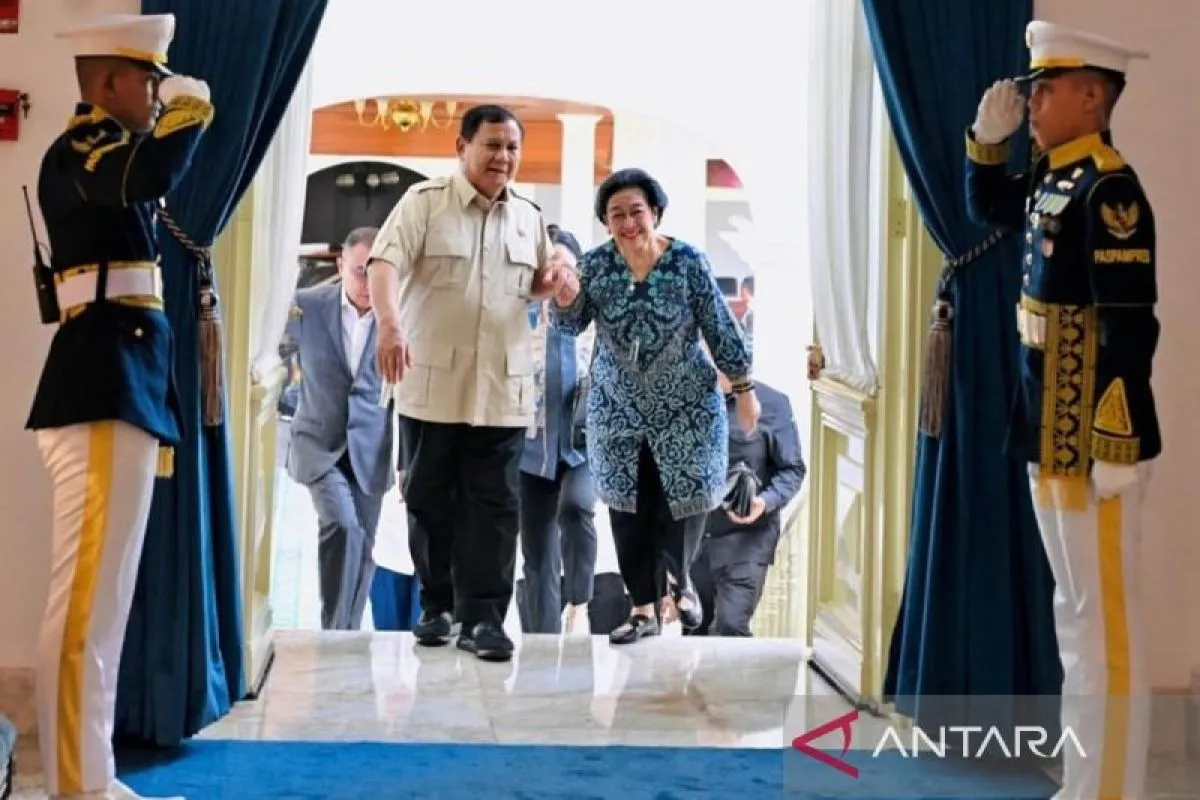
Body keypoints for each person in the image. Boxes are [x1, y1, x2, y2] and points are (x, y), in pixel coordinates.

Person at [965, 21, 1158, 800]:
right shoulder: (1058, 178)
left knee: (1104, 629)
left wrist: (1115, 438)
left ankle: (1108, 791)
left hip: (1094, 439)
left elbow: (1129, 325)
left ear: (1092, 98)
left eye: (1046, 90)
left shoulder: (1110, 190)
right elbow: (991, 210)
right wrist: (987, 144)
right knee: (1074, 622)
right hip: (1050, 428)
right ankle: (1084, 783)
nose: (1034, 103)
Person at [23, 12, 212, 800]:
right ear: (108, 82)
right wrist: (192, 113)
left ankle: (91, 778)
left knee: (102, 609)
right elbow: (146, 176)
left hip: (119, 383)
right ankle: (77, 787)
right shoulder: (86, 147)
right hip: (101, 384)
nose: (157, 94)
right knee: (85, 611)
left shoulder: (109, 151)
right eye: (149, 80)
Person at [367, 104, 569, 662]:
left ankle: (484, 619)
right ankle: (437, 605)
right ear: (462, 147)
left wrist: (557, 278)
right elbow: (383, 264)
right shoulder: (424, 203)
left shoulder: (528, 216)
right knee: (430, 499)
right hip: (431, 383)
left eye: (512, 148)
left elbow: (538, 282)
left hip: (502, 388)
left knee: (496, 506)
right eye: (492, 145)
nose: (503, 157)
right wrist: (389, 324)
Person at [550, 167, 758, 645]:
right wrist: (563, 299)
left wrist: (744, 389)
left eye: (636, 212)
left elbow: (719, 325)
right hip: (617, 409)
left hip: (687, 407)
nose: (628, 223)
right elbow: (570, 325)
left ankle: (680, 580)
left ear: (655, 213)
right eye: (616, 214)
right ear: (606, 222)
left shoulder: (687, 261)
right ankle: (642, 608)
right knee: (628, 510)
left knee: (684, 502)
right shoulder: (596, 267)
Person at [279, 227, 393, 631]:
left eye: (376, 272)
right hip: (319, 445)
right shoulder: (307, 306)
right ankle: (333, 631)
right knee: (341, 525)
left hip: (371, 449)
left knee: (363, 547)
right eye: (360, 271)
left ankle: (347, 634)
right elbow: (272, 351)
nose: (368, 283)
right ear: (341, 265)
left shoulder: (396, 315)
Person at [517, 224, 598, 636]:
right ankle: (542, 643)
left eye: (566, 265)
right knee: (538, 557)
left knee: (576, 507)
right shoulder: (521, 315)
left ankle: (579, 601)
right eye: (551, 264)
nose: (559, 274)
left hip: (582, 448)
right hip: (531, 452)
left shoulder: (593, 319)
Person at [686, 370, 805, 637]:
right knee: (697, 630)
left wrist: (765, 501)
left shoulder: (773, 404)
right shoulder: (684, 398)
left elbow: (792, 470)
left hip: (746, 541)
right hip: (694, 543)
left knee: (731, 626)